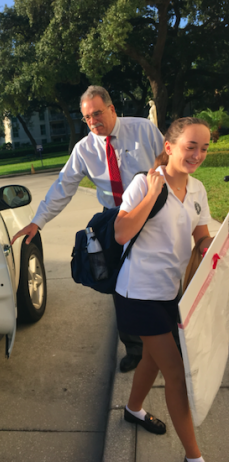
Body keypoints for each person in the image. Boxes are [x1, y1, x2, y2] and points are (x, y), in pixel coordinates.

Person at [11, 85, 164, 372]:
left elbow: (168, 164)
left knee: (161, 278)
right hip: (113, 221)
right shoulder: (84, 149)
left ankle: (172, 339)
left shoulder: (143, 130)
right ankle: (135, 348)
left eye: (97, 114)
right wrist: (38, 221)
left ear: (111, 110)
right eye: (87, 118)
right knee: (121, 286)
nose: (93, 121)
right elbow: (63, 186)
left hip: (151, 213)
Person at [114, 117, 213, 462]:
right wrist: (153, 193)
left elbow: (201, 234)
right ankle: (194, 457)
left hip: (172, 292)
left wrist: (209, 247)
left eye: (204, 148)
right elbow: (121, 232)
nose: (198, 154)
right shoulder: (144, 183)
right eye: (191, 146)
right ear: (169, 148)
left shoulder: (197, 188)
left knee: (154, 361)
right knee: (176, 373)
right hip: (138, 293)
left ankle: (133, 409)